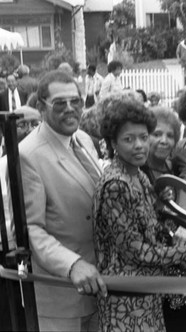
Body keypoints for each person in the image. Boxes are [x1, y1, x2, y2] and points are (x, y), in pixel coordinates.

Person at [94, 95, 186, 332]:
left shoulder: (138, 175)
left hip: (149, 293)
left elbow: (155, 231)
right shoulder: (116, 184)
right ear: (113, 143)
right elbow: (136, 251)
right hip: (126, 299)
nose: (139, 145)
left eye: (144, 137)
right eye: (129, 139)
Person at [19, 70, 107, 331]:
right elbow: (30, 228)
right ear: (40, 107)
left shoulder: (84, 140)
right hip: (61, 298)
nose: (70, 109)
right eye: (59, 103)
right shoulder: (28, 156)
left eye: (75, 101)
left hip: (99, 285)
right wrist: (72, 264)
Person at [0, 105, 41, 331]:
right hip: (12, 248)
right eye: (22, 124)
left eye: (35, 124)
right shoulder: (7, 163)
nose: (28, 129)